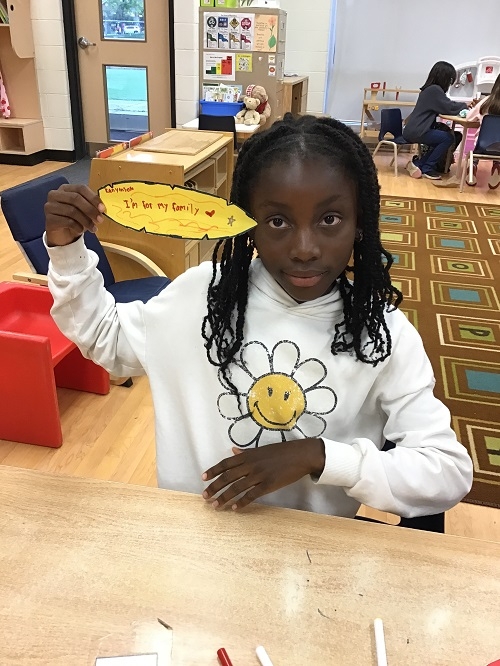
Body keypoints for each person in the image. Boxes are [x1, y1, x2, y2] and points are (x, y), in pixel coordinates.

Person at [44, 114, 473, 519]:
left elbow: (448, 471)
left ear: (360, 223)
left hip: (310, 556)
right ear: (248, 223)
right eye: (278, 222)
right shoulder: (203, 296)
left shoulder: (381, 333)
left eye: (329, 219)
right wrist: (66, 249)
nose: (304, 248)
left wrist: (320, 456)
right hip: (190, 541)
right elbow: (103, 336)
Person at [403, 61, 469, 180]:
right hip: (418, 131)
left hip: (415, 129)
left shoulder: (429, 90)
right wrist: (465, 106)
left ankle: (418, 164)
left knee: (446, 136)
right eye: (450, 80)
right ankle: (427, 168)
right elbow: (448, 107)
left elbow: (446, 105)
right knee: (447, 138)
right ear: (445, 78)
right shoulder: (434, 90)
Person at [465, 73, 500, 190]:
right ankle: (497, 165)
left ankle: (473, 165)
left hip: (484, 145)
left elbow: (469, 118)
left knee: (476, 150)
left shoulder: (487, 101)